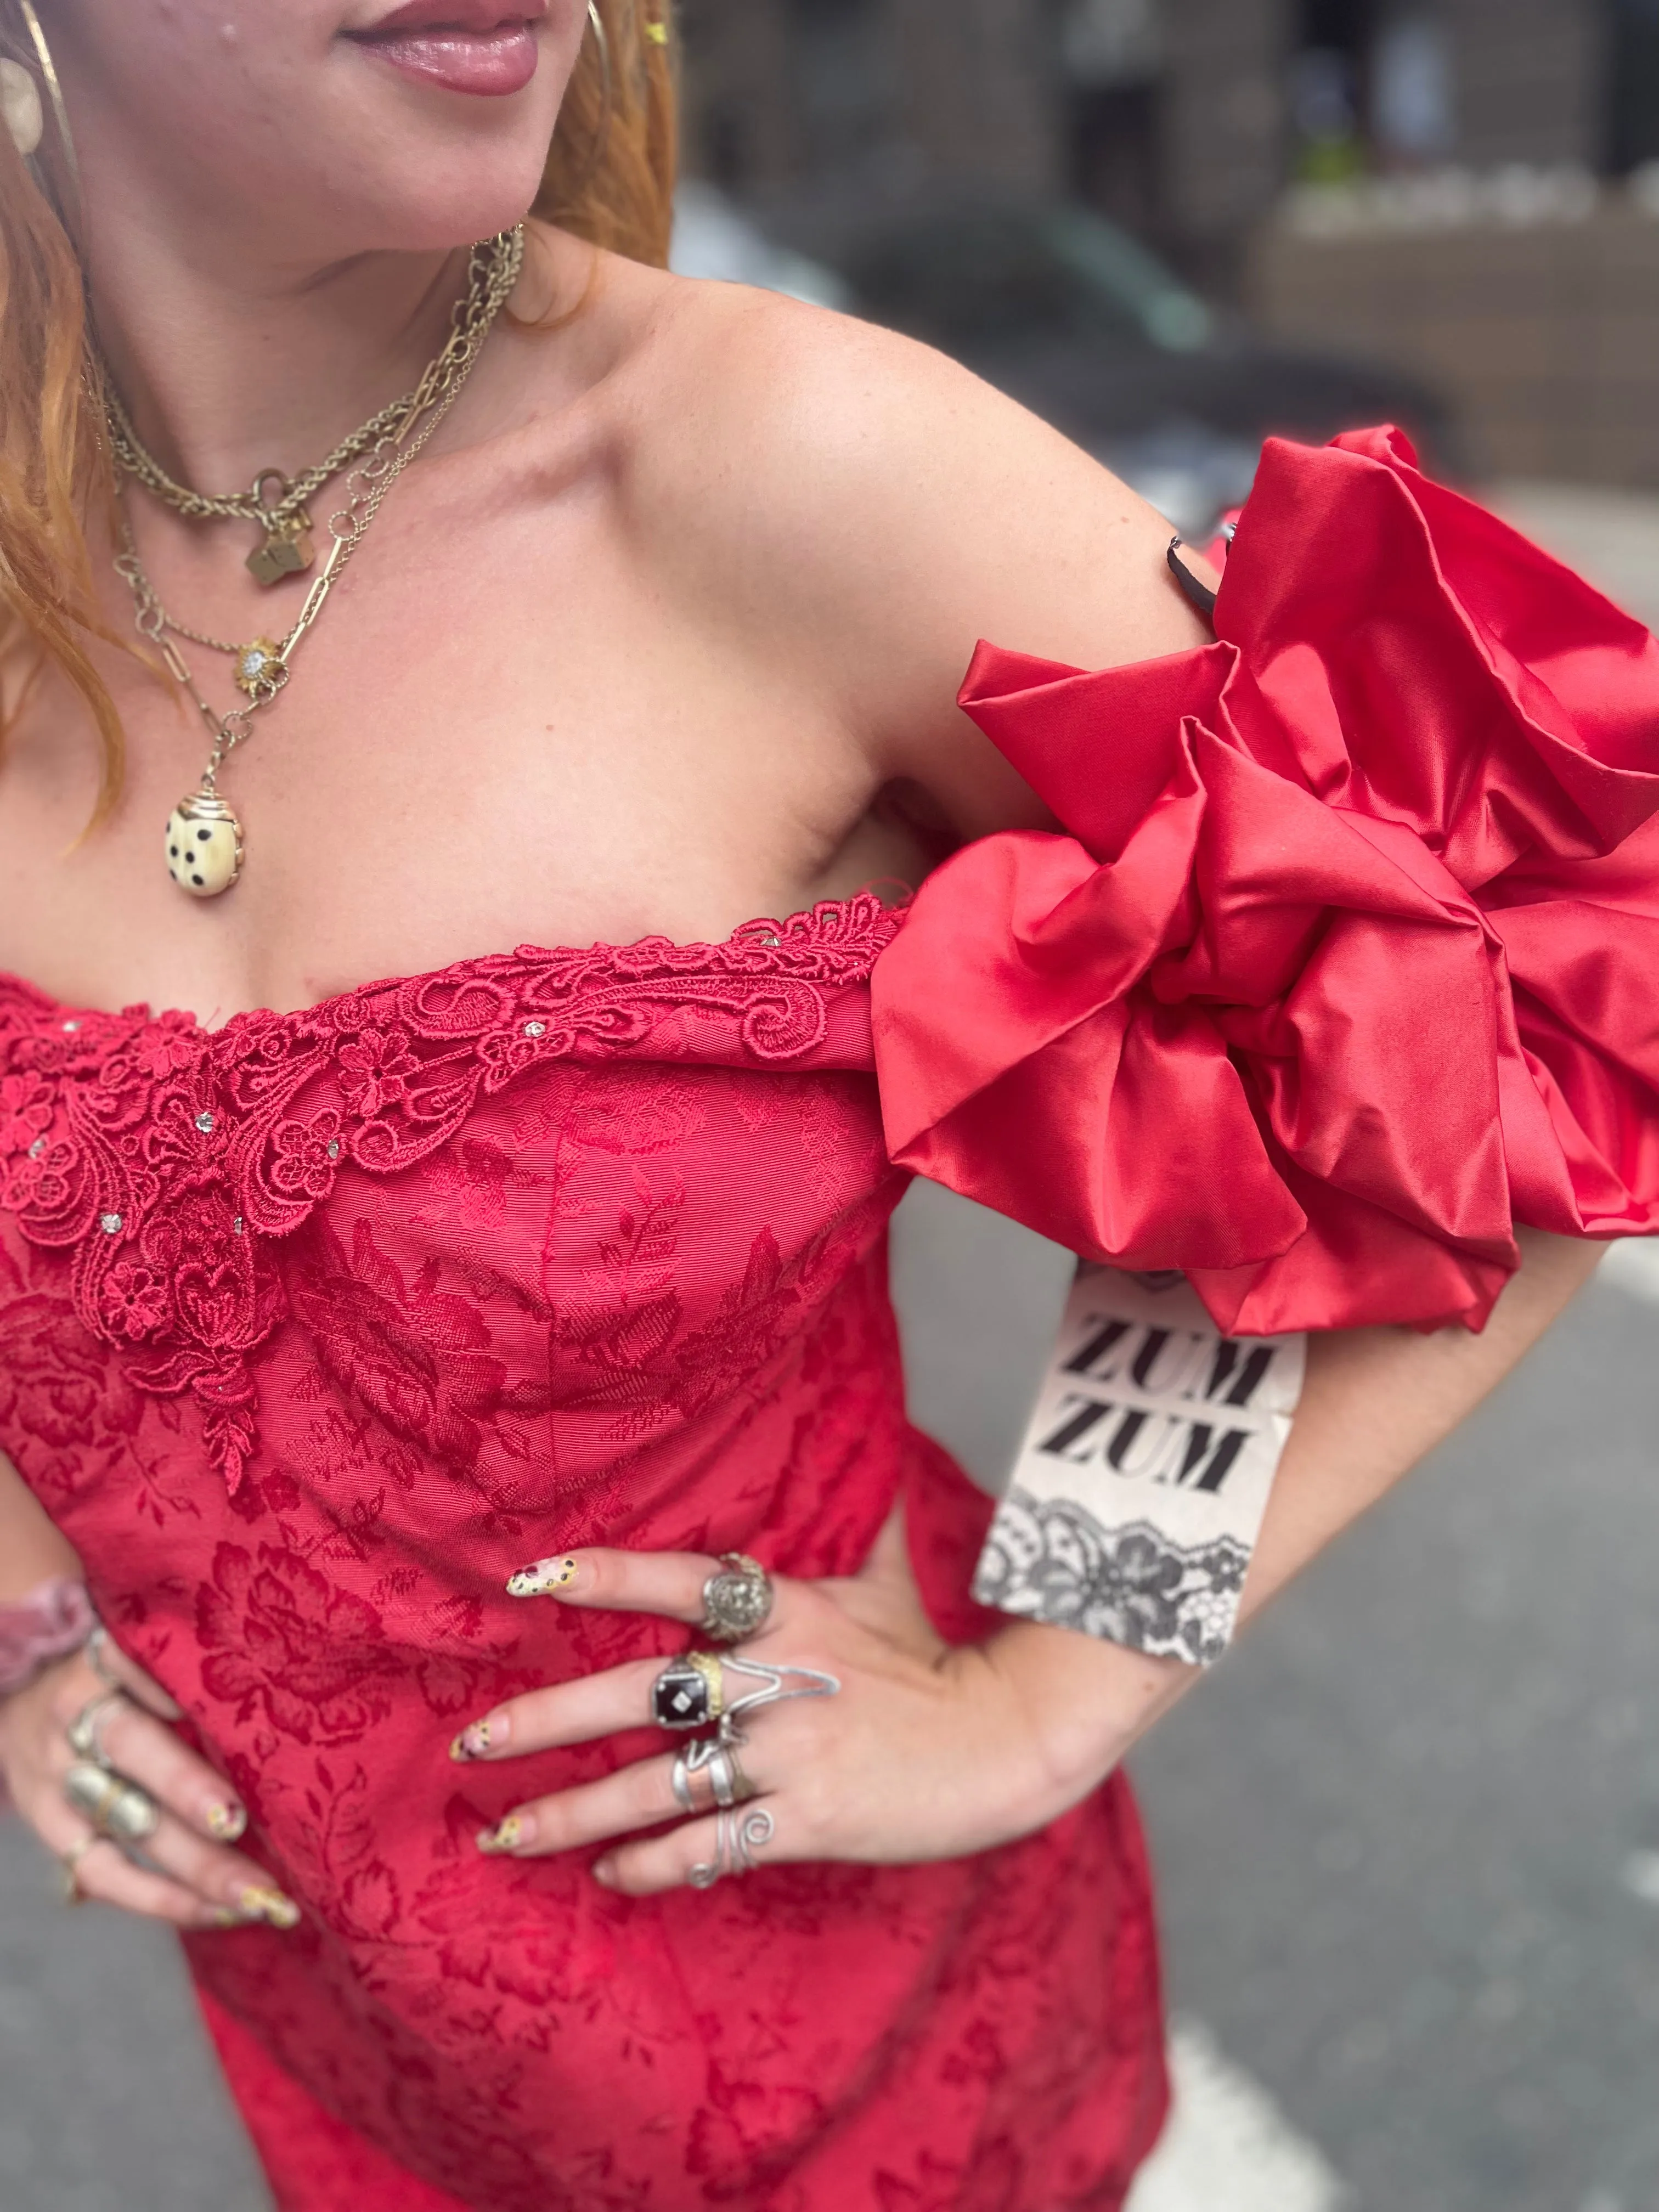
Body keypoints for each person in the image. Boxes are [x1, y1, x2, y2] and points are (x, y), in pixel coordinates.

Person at [0, 4, 1655, 2208]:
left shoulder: (787, 474)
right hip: (352, 2082)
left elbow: (1558, 973)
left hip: (870, 2090)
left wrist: (1051, 1685)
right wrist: (26, 1621)